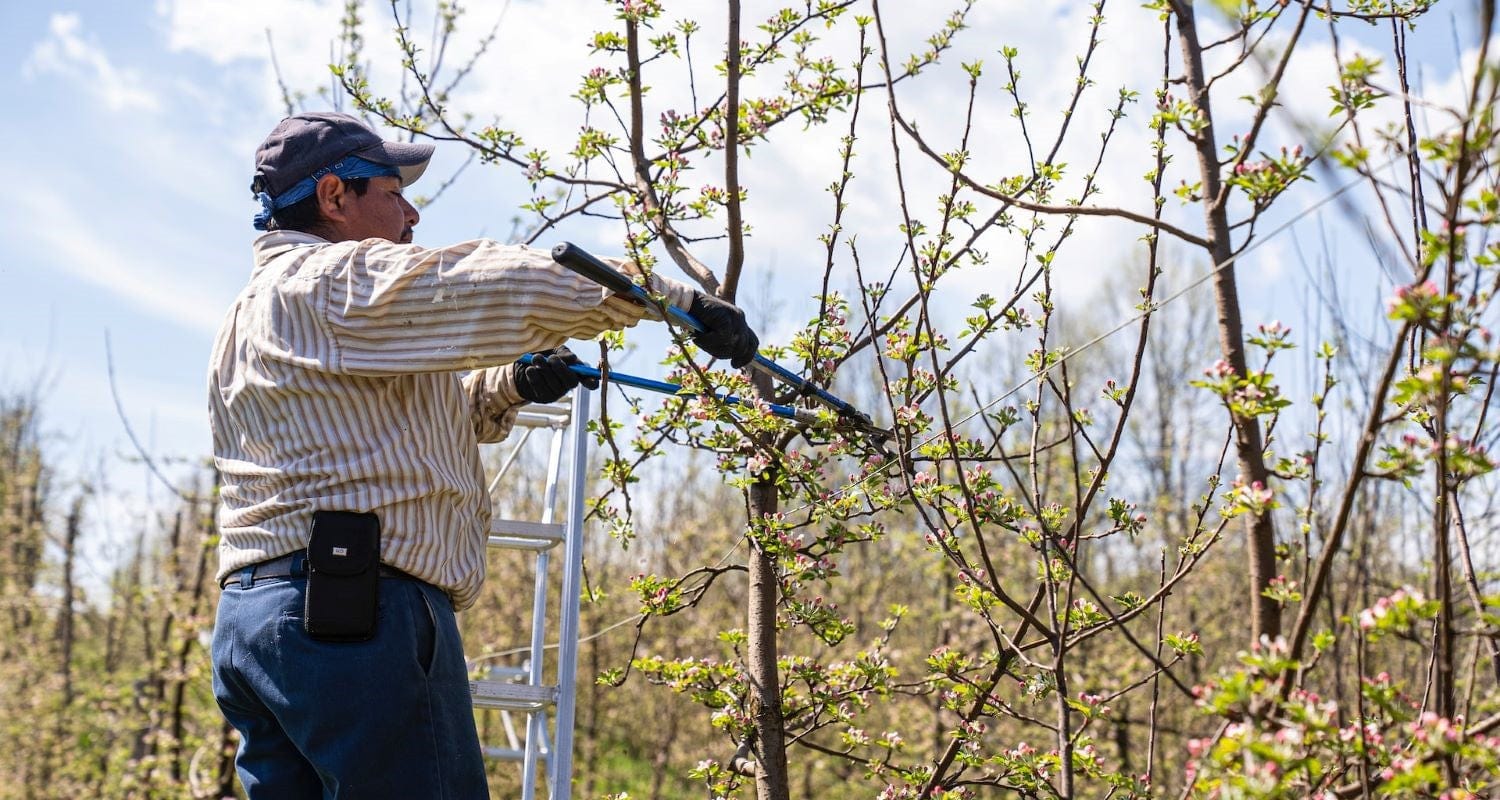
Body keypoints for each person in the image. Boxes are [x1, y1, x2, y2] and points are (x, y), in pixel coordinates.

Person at [208, 111, 759, 798]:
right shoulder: (334, 281)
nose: (411, 216)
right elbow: (492, 283)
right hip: (355, 619)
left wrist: (510, 385)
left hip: (257, 626)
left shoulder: (252, 314)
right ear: (333, 196)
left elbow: (380, 435)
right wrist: (676, 300)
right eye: (393, 192)